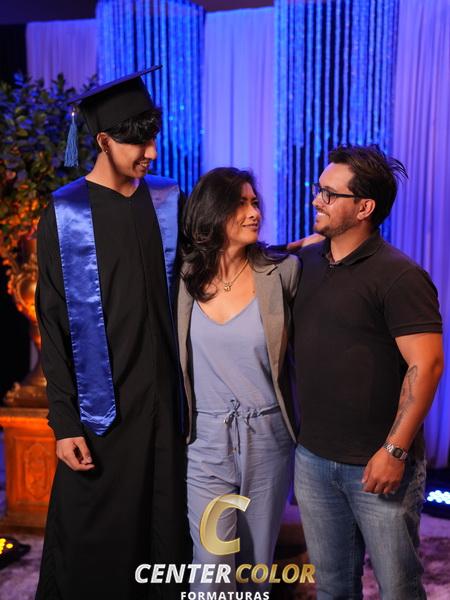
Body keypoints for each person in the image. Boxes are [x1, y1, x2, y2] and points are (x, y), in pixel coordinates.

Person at [35, 67, 189, 600]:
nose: (151, 152)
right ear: (103, 140)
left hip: (164, 408)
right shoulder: (66, 214)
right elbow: (53, 324)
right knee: (94, 547)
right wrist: (63, 423)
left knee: (163, 542)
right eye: (138, 142)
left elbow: (216, 266)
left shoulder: (168, 201)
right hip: (101, 414)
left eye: (153, 138)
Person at [291, 145, 444, 600]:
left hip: (379, 463)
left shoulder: (400, 276)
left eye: (329, 193)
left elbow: (427, 364)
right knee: (333, 588)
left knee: (399, 589)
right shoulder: (306, 262)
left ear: (364, 208)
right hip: (313, 460)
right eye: (318, 189)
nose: (316, 199)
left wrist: (394, 451)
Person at [177, 167, 299, 593]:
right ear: (213, 212)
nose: (254, 212)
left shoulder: (282, 273)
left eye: (255, 202)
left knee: (254, 571)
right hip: (206, 441)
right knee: (211, 570)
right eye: (240, 204)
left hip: (268, 438)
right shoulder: (182, 278)